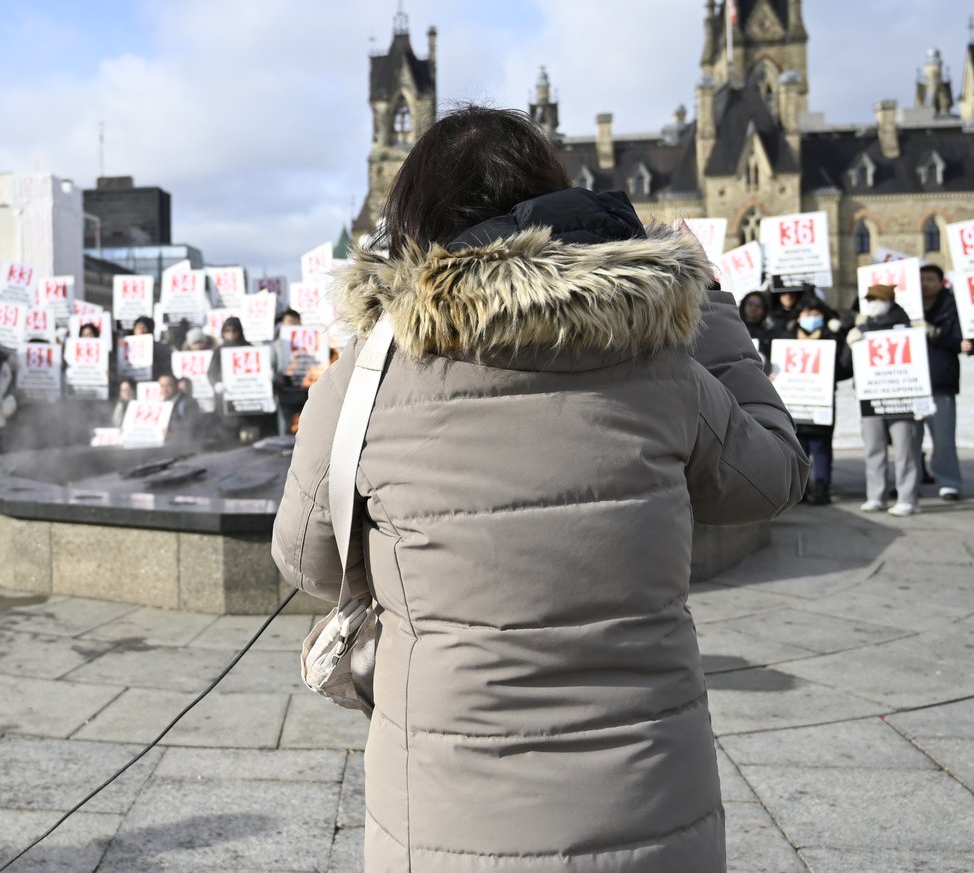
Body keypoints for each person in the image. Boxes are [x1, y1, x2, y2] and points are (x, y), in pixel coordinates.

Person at [270, 105, 807, 873]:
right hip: (647, 805)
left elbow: (309, 565)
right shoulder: (662, 368)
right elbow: (772, 478)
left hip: (450, 807)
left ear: (414, 220)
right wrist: (709, 311)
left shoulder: (363, 377)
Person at [848, 282, 921, 516]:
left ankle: (907, 498)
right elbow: (846, 366)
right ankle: (875, 495)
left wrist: (922, 397)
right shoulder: (864, 328)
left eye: (875, 299)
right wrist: (849, 346)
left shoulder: (906, 327)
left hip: (901, 396)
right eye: (868, 300)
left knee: (905, 449)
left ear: (888, 301)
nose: (871, 304)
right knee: (873, 447)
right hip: (871, 396)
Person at [778, 298, 851, 506]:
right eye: (807, 314)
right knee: (798, 447)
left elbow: (844, 368)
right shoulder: (788, 338)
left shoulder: (831, 338)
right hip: (795, 402)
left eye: (816, 314)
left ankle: (821, 486)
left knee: (820, 447)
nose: (811, 319)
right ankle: (800, 489)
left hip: (820, 402)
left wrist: (842, 337)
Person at [918, 263, 964, 502]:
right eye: (921, 279)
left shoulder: (953, 306)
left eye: (930, 279)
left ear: (941, 282)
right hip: (911, 383)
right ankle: (910, 481)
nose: (925, 284)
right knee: (910, 439)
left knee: (944, 437)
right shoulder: (907, 307)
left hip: (940, 380)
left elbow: (960, 341)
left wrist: (934, 333)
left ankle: (949, 482)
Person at [739, 290, 775, 360]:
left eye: (758, 305)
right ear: (743, 305)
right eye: (750, 303)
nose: (753, 308)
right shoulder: (734, 330)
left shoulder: (770, 335)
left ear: (764, 310)